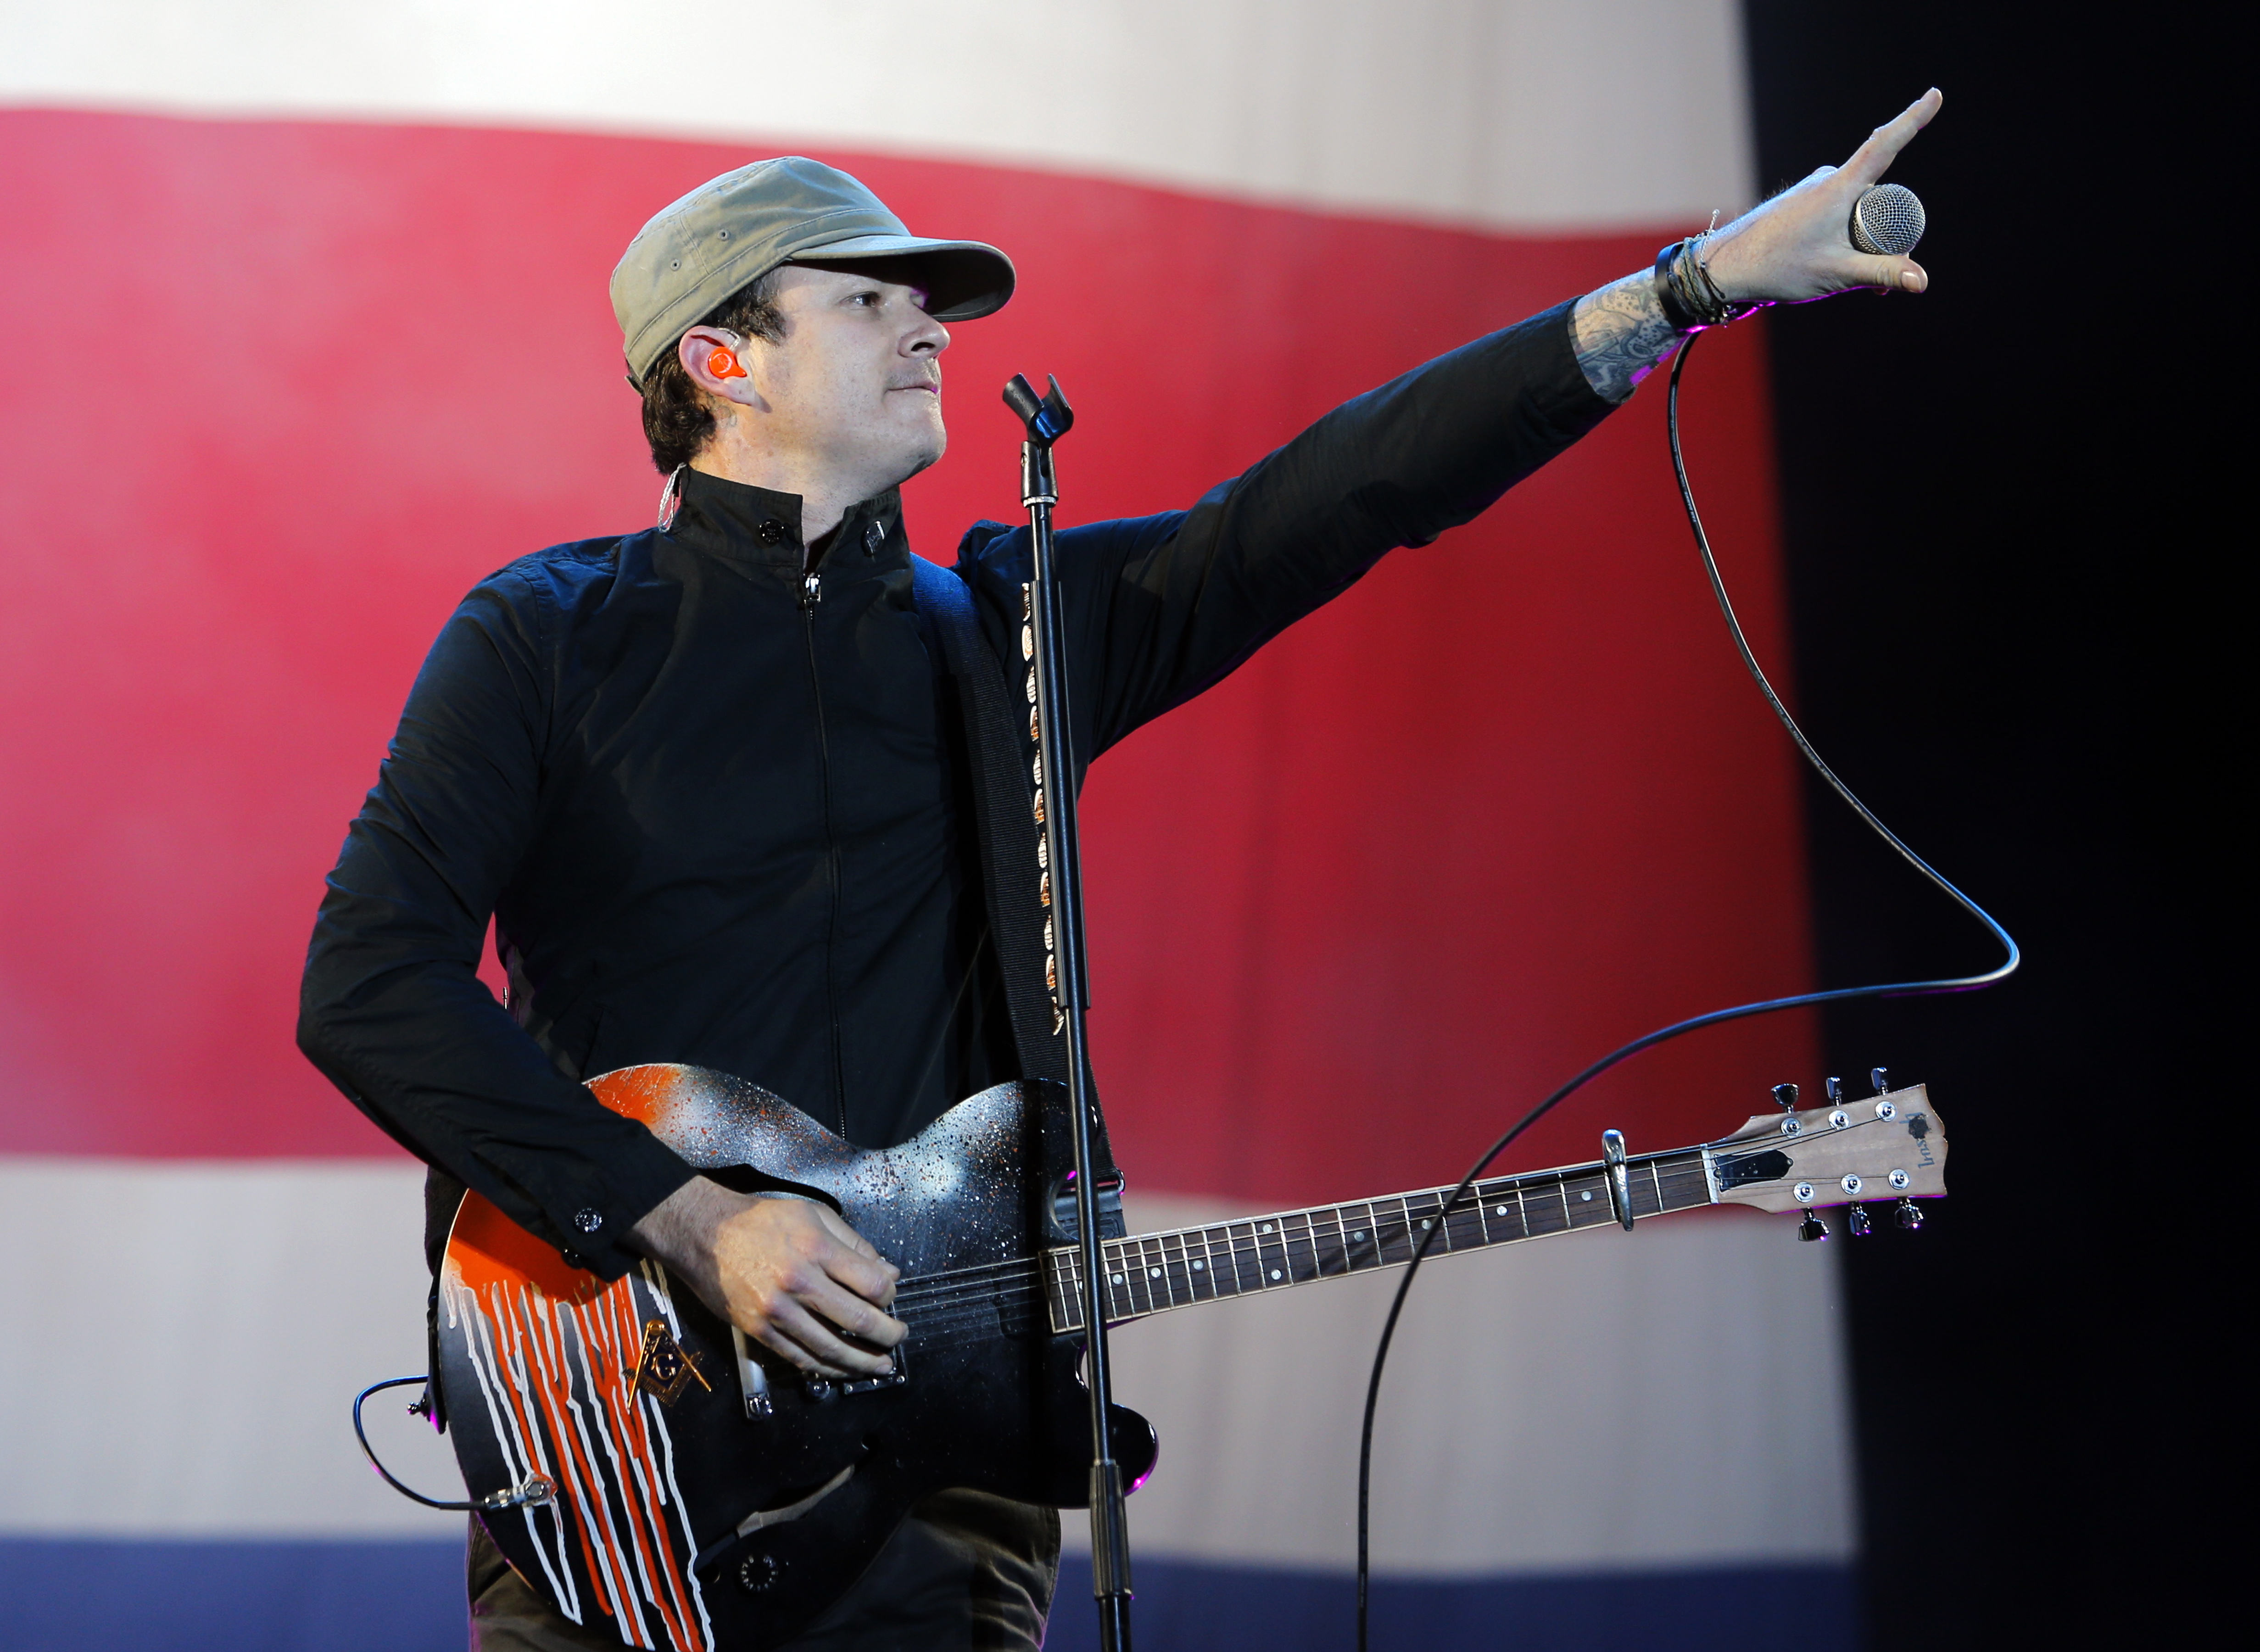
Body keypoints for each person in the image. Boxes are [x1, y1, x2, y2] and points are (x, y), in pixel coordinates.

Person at [297, 91, 1942, 1651]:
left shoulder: (1010, 633)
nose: (932, 329)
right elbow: (368, 983)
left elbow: (1343, 490)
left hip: (945, 1497)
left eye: (925, 303)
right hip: (619, 1457)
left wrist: (1693, 289)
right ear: (721, 358)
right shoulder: (544, 635)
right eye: (868, 301)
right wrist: (686, 1216)